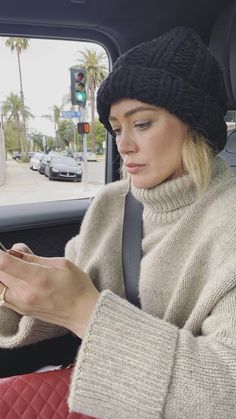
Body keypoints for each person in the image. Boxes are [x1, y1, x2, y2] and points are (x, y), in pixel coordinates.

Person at [0, 26, 236, 418]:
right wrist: (24, 288)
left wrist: (84, 311)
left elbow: (227, 390)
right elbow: (74, 291)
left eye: (141, 123)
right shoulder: (112, 204)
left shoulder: (229, 223)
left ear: (193, 125)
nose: (123, 144)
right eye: (117, 127)